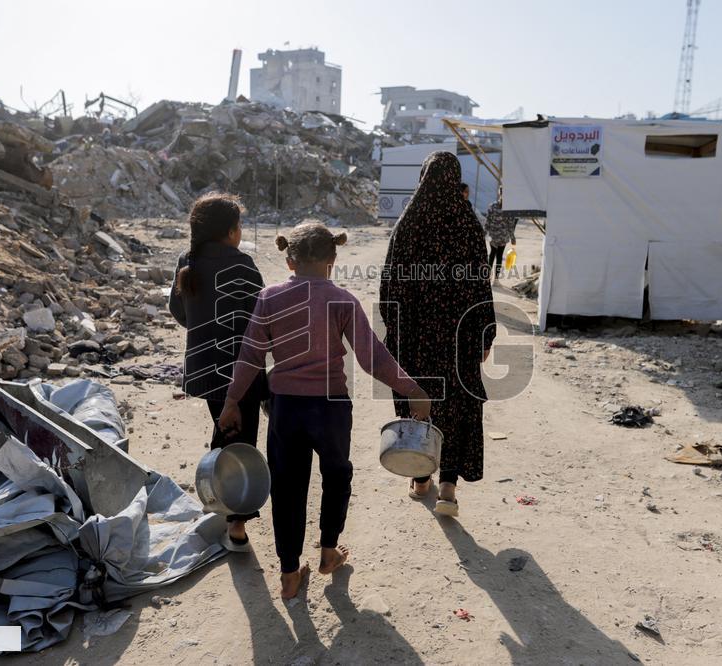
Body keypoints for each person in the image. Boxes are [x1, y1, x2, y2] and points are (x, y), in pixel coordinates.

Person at [219, 222, 430, 599]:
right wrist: (412, 388)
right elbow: (372, 359)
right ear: (333, 258)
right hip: (331, 408)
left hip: (285, 408)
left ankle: (288, 574)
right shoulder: (343, 300)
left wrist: (232, 402)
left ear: (289, 260)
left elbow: (250, 357)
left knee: (287, 487)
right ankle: (329, 551)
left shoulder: (269, 298)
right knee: (336, 476)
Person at [380, 151, 497, 517]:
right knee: (458, 407)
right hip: (458, 337)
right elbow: (481, 286)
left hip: (415, 336)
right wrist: (484, 336)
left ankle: (420, 478)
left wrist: (394, 329)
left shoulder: (409, 221)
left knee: (419, 400)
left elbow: (389, 285)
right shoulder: (468, 223)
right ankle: (448, 488)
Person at [168, 192, 267, 553]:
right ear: (228, 232)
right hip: (242, 370)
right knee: (241, 441)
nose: (240, 232)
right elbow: (262, 318)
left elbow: (177, 310)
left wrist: (200, 330)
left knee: (224, 430)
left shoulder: (187, 262)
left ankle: (219, 502)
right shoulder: (242, 265)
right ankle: (236, 523)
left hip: (207, 369)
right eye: (238, 226)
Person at [484, 189, 517, 281]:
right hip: (497, 236)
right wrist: (485, 231)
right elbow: (488, 220)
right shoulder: (495, 206)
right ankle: (491, 278)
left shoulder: (506, 208)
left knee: (496, 255)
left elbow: (511, 225)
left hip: (499, 236)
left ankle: (493, 278)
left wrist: (512, 237)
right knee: (495, 255)